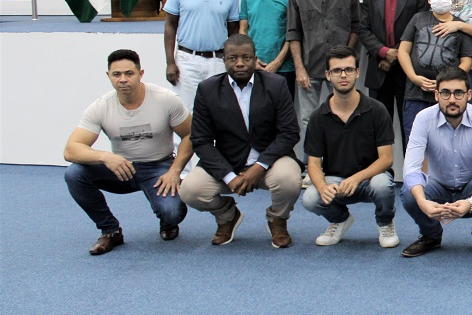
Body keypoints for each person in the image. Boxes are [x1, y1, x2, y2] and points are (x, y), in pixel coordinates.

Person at [64, 49, 192, 255]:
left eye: (129, 73)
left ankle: (167, 219)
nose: (123, 79)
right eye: (116, 74)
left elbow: (190, 135)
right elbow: (71, 149)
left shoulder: (166, 99)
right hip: (122, 168)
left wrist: (175, 171)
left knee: (172, 212)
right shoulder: (100, 107)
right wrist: (105, 156)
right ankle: (110, 231)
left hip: (159, 167)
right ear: (109, 76)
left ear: (140, 74)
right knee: (74, 174)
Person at [179, 34, 302, 248]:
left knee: (289, 180)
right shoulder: (208, 90)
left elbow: (289, 133)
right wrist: (228, 176)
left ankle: (277, 218)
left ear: (255, 59)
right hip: (228, 162)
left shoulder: (276, 84)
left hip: (270, 161)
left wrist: (259, 166)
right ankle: (227, 215)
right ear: (224, 60)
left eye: (246, 57)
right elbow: (201, 140)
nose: (239, 63)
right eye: (232, 58)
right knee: (190, 190)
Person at [399, 67, 472, 259]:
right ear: (436, 95)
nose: (452, 99)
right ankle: (431, 235)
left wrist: (471, 202)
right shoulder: (423, 119)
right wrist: (422, 202)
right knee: (408, 192)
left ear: (469, 94)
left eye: (458, 93)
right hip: (437, 187)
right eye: (445, 93)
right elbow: (411, 168)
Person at [299, 46, 397, 248]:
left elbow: (387, 159)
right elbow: (314, 164)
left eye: (349, 69)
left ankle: (385, 223)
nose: (343, 75)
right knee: (310, 198)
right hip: (336, 181)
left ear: (357, 72)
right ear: (328, 75)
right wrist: (322, 187)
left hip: (370, 179)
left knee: (382, 185)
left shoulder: (377, 110)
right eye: (337, 70)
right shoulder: (318, 117)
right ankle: (340, 220)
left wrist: (357, 178)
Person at [286, 0, 362, 154]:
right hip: (309, 66)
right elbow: (293, 32)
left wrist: (347, 58)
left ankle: (342, 162)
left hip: (341, 68)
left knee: (344, 115)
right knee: (308, 119)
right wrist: (299, 69)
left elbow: (356, 26)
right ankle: (311, 165)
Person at [358, 0, 428, 152]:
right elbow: (363, 30)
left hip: (409, 72)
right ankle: (383, 170)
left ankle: (412, 171)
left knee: (412, 129)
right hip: (378, 71)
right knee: (378, 130)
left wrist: (395, 54)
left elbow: (420, 29)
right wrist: (383, 52)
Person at [395, 0, 472, 146]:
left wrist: (444, 83)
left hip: (447, 97)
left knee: (446, 145)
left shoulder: (460, 25)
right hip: (415, 94)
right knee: (415, 144)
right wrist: (414, 77)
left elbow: (466, 61)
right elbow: (403, 51)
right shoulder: (418, 19)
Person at [163, 0, 239, 111]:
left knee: (218, 110)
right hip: (186, 60)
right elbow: (170, 26)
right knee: (185, 111)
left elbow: (233, 31)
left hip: (217, 61)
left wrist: (231, 61)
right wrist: (170, 62)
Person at [239, 0, 294, 98]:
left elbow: (293, 33)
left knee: (283, 109)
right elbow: (243, 30)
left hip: (284, 67)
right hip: (254, 66)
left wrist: (277, 62)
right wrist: (251, 60)